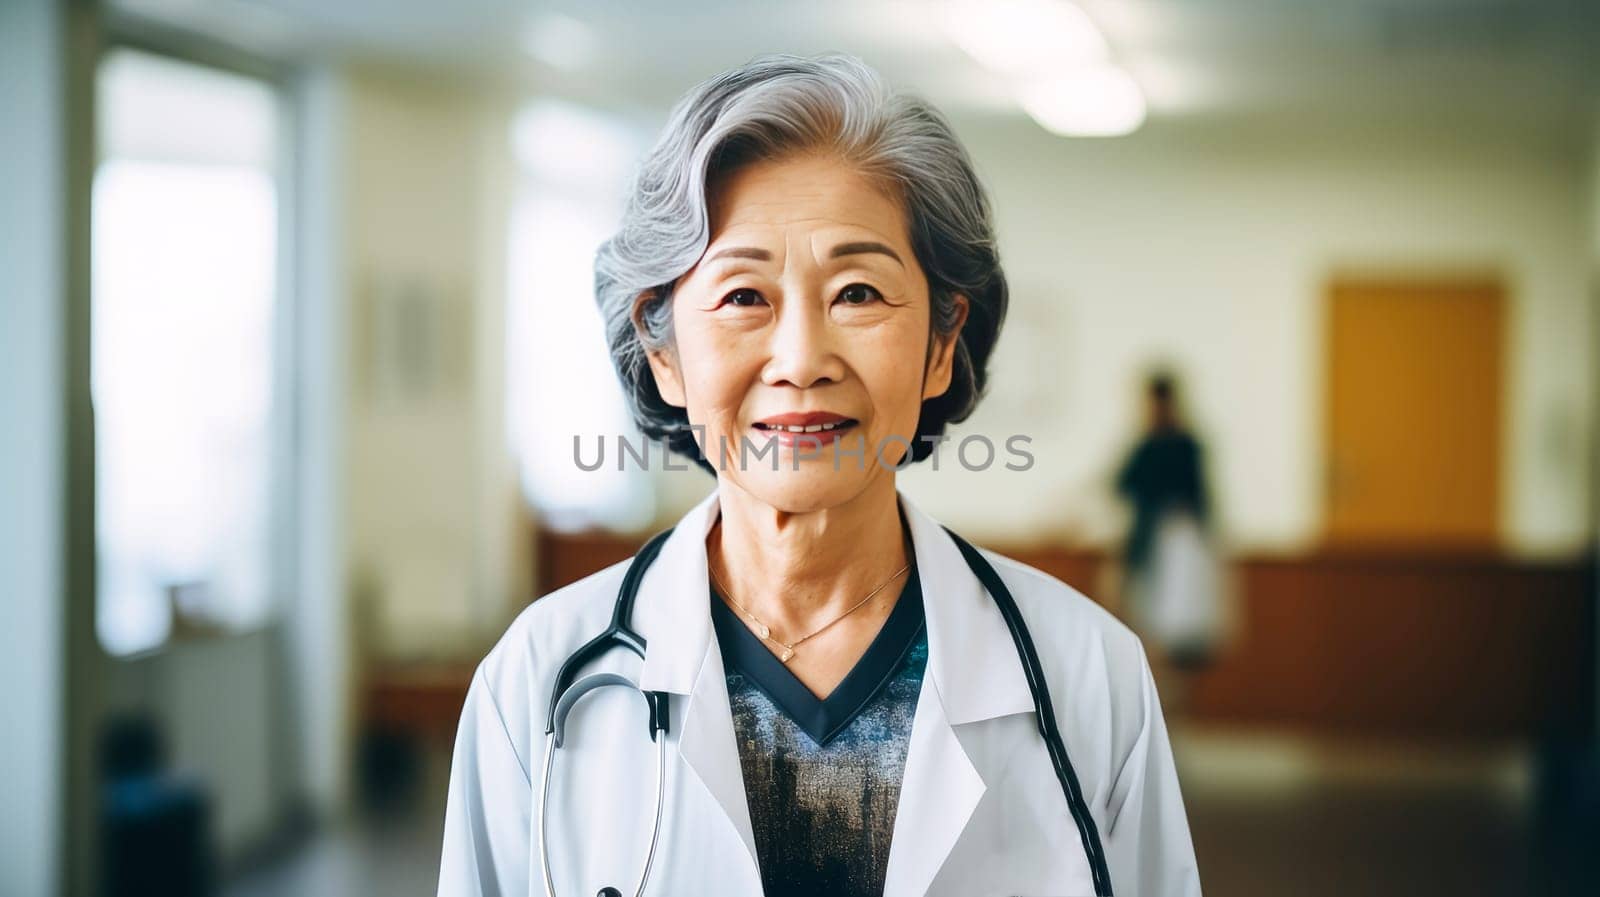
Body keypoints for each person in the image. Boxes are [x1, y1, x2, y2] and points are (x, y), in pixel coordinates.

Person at [439, 54, 1200, 897]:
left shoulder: (1089, 676)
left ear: (942, 345)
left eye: (859, 292)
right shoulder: (537, 683)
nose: (801, 359)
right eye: (742, 297)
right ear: (664, 354)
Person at [1115, 372, 1225, 679]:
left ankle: (1170, 696)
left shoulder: (1183, 446)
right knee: (1142, 621)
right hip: (1145, 548)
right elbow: (1122, 485)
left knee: (1173, 626)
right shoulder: (1146, 445)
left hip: (1175, 550)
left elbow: (1199, 501)